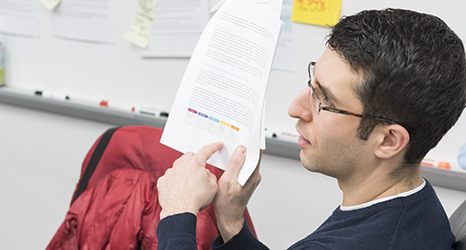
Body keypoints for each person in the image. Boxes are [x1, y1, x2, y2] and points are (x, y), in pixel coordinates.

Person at [156, 8, 466, 250]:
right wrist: (232, 223)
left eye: (325, 100)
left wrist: (178, 213)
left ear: (388, 140)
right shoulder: (418, 209)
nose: (296, 108)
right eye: (312, 84)